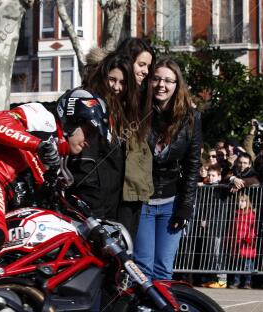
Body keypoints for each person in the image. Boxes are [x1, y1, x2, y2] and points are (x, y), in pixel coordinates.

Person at [0, 89, 111, 303]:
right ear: (72, 121)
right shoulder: (43, 116)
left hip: (11, 202)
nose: (89, 141)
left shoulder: (64, 163)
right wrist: (37, 145)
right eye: (88, 132)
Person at [133, 57, 202, 281]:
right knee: (143, 267)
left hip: (171, 203)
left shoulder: (191, 118)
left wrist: (185, 208)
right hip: (141, 201)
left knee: (163, 268)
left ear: (176, 85)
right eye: (157, 79)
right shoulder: (137, 113)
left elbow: (192, 166)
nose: (162, 85)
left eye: (169, 81)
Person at [67, 53, 139, 220]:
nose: (117, 87)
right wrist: (94, 206)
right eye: (112, 79)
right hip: (90, 203)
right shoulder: (87, 105)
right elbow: (85, 162)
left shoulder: (122, 109)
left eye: (123, 82)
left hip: (114, 201)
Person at [115, 37, 155, 239]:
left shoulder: (142, 100)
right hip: (112, 192)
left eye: (148, 66)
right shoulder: (110, 95)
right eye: (141, 64)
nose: (146, 71)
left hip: (133, 191)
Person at [229, 193, 256, 289]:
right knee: (237, 264)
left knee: (248, 264)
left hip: (247, 242)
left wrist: (250, 237)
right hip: (237, 242)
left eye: (243, 201)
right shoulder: (236, 214)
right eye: (239, 201)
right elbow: (232, 229)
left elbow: (253, 228)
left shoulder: (251, 214)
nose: (241, 203)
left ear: (247, 202)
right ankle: (236, 281)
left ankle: (248, 282)